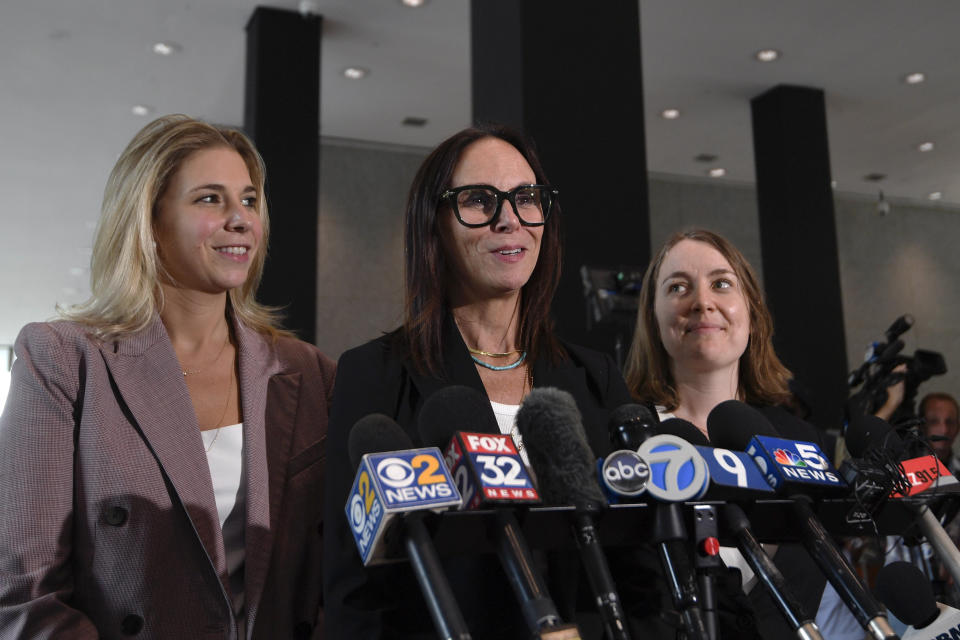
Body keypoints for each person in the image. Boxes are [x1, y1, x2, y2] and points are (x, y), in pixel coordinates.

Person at [0, 115, 335, 639]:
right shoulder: (63, 359)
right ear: (149, 221)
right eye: (209, 199)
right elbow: (24, 590)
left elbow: (335, 578)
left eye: (249, 200)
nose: (240, 218)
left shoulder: (309, 372)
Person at [322, 124, 637, 638]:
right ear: (434, 224)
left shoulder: (596, 378)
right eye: (478, 200)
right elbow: (354, 589)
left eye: (526, 198)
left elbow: (637, 572)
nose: (508, 219)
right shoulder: (376, 375)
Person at [624, 228, 827, 639]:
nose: (702, 302)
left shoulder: (802, 442)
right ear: (653, 318)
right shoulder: (626, 441)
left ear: (751, 309)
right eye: (678, 287)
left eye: (721, 284)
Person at [918, 392, 960, 473]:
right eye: (934, 422)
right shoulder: (903, 468)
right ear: (921, 426)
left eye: (950, 422)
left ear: (958, 427)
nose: (944, 430)